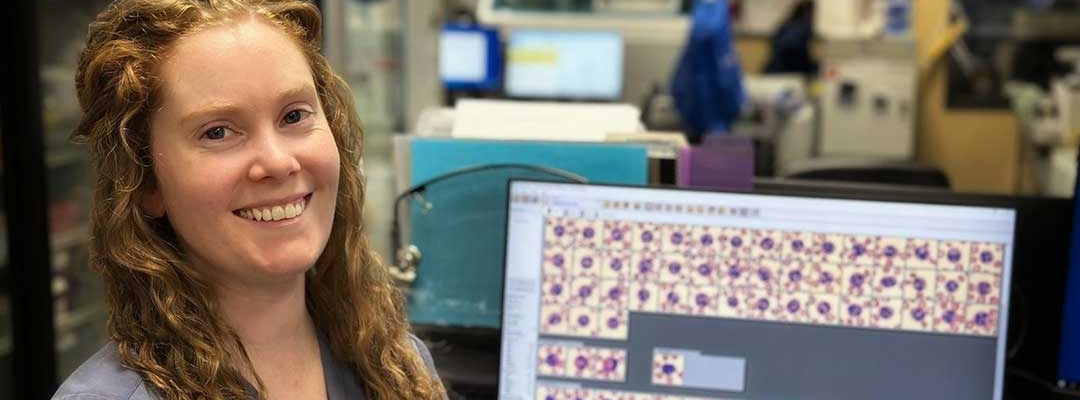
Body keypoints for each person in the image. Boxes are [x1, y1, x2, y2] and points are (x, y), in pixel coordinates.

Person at [52, 0, 446, 399]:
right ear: (145, 184)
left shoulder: (395, 364)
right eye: (218, 132)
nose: (278, 162)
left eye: (294, 116)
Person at [763, 0, 818, 77]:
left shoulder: (787, 24)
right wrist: (812, 68)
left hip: (773, 71)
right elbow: (791, 48)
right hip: (784, 74)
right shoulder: (802, 27)